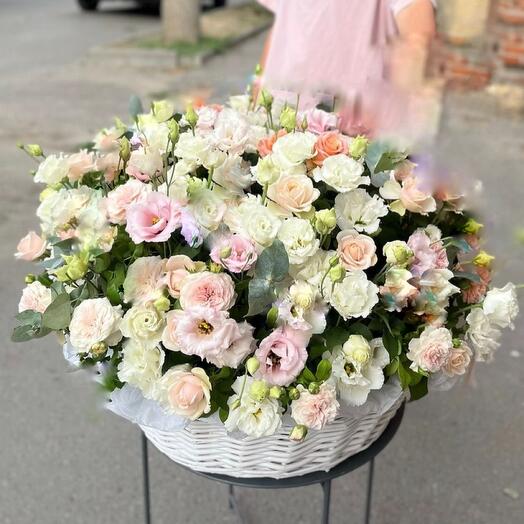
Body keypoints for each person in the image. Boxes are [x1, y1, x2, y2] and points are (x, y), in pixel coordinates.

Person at [256, 0, 437, 141]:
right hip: (277, 118)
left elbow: (418, 38)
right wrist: (256, 96)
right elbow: (282, 23)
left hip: (352, 135)